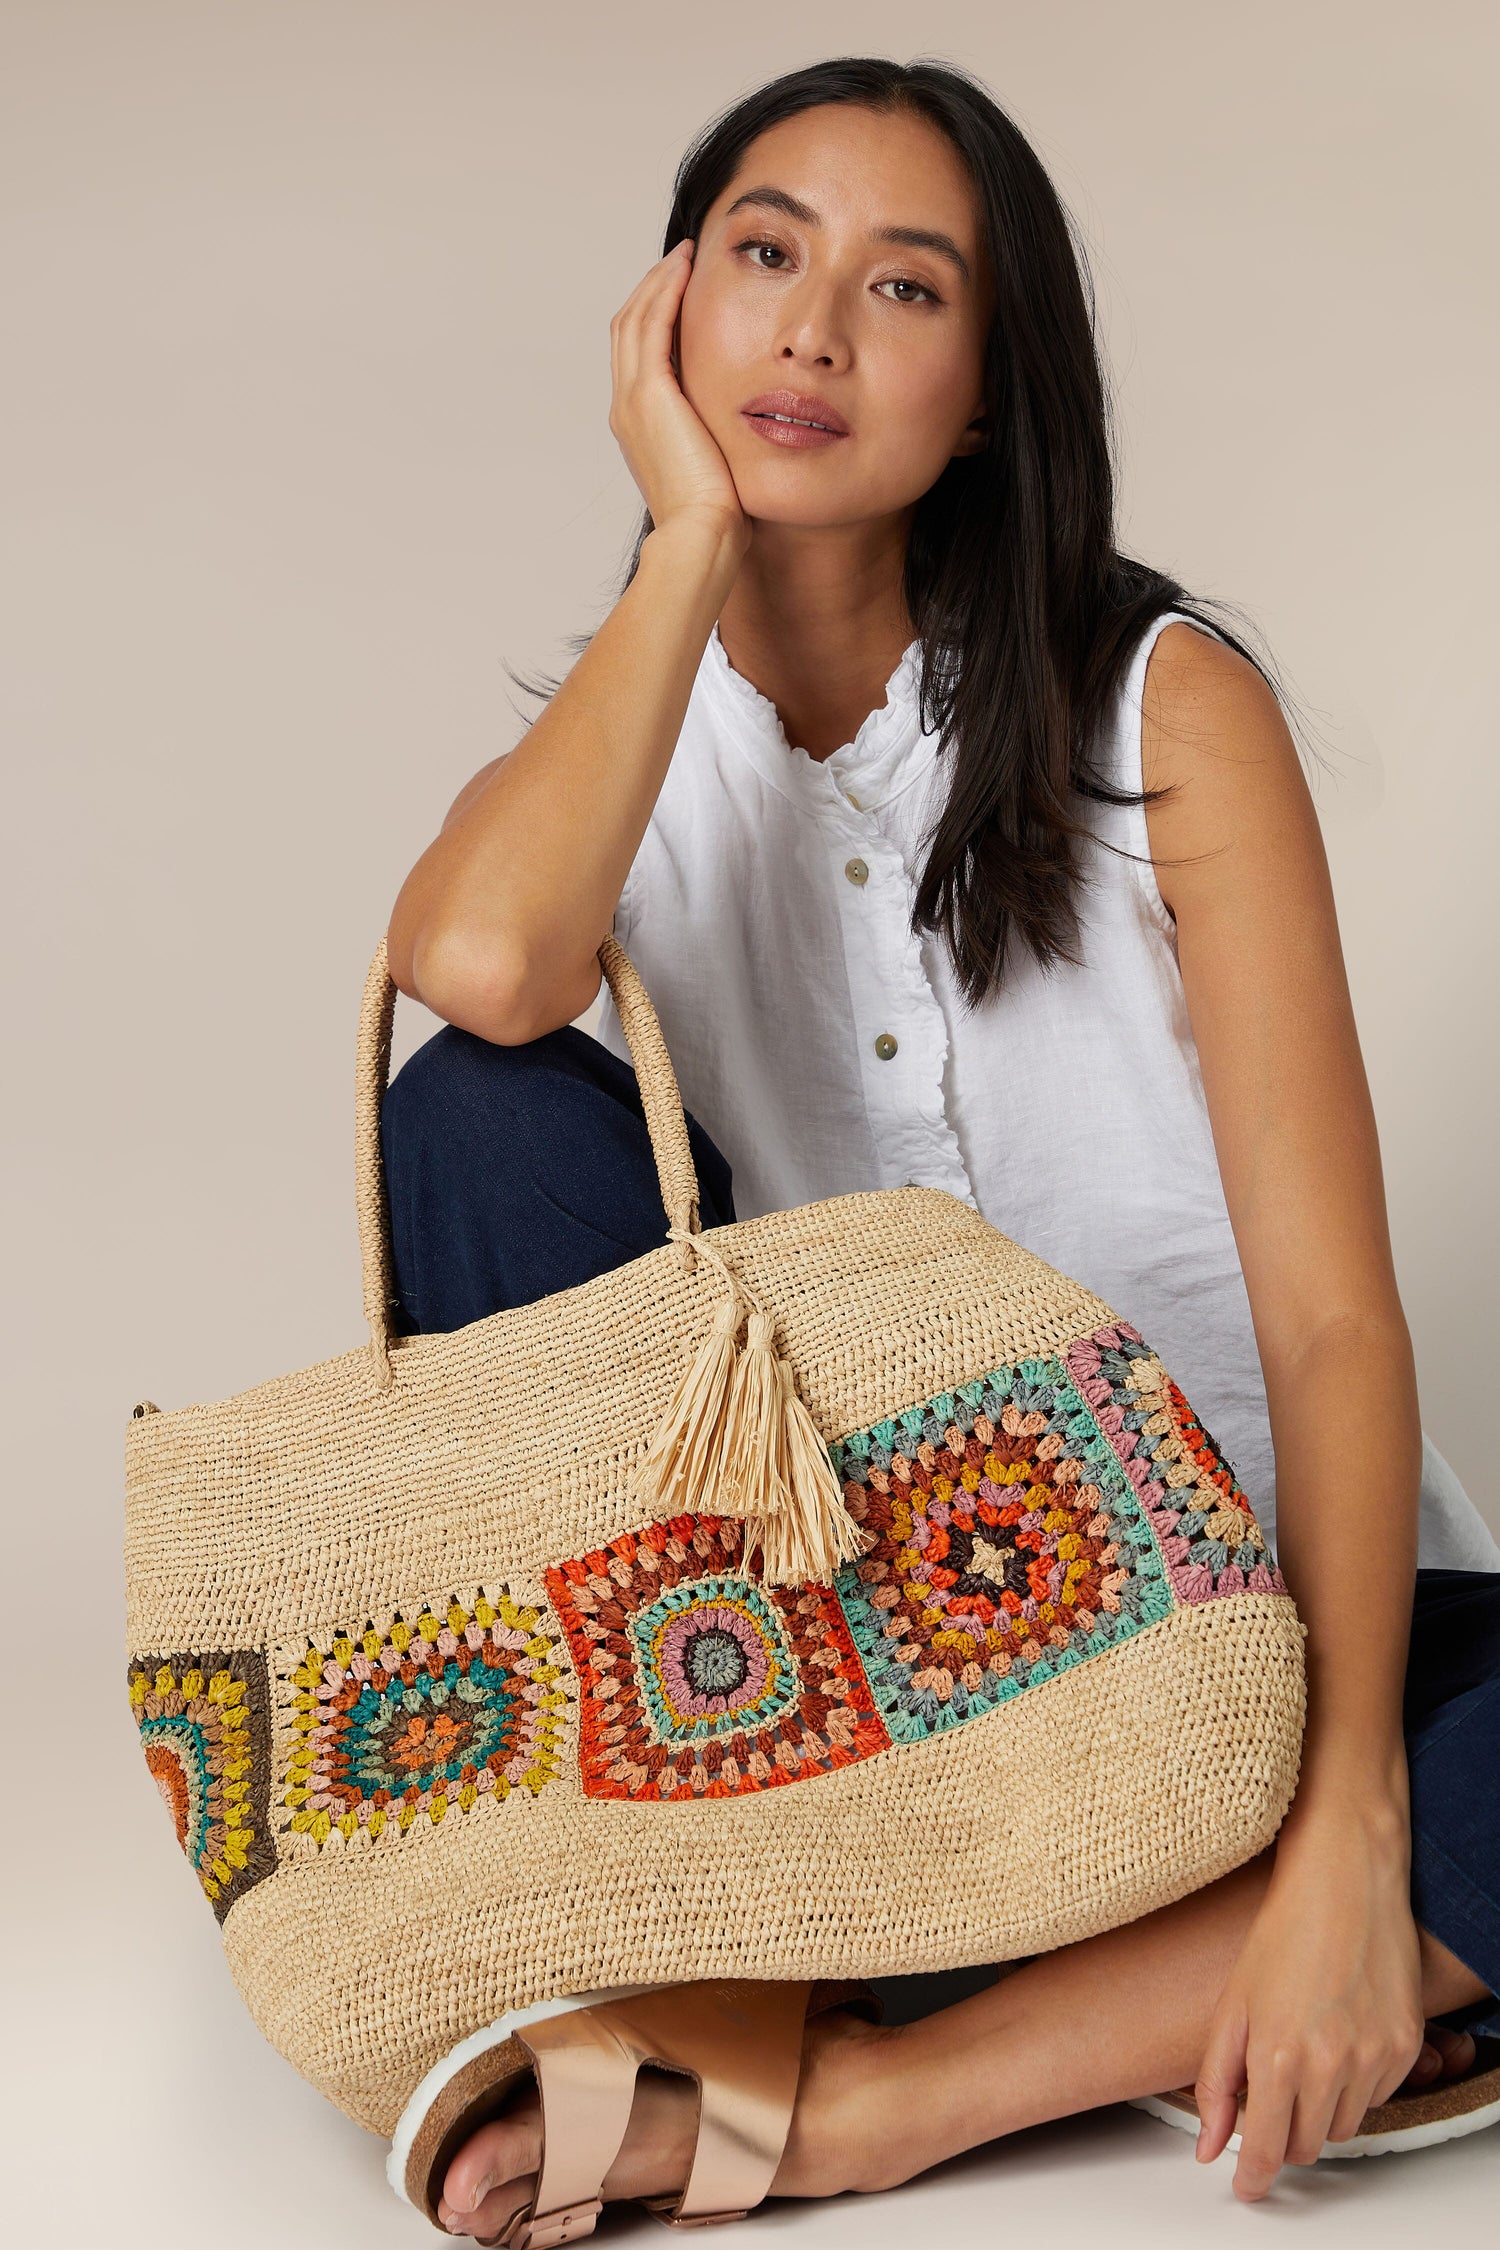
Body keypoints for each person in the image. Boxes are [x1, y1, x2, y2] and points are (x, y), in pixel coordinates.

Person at [380, 56, 1500, 2232]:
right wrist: (688, 541)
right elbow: (482, 964)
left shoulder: (1157, 708)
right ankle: (1017, 1957)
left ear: (985, 393)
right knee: (485, 1109)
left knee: (1469, 1748)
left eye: (904, 289)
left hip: (1247, 1651)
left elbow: (1340, 1318)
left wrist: (1354, 1813)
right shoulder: (637, 739)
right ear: (668, 311)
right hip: (848, 1696)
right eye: (763, 256)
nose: (810, 331)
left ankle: (884, 2095)